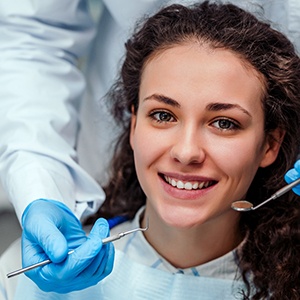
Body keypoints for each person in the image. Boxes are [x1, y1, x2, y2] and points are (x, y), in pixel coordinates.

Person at [1, 1, 300, 299]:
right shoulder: (22, 280)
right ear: (133, 125)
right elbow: (33, 37)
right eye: (163, 115)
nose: (186, 152)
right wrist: (39, 182)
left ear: (270, 144)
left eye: (223, 123)